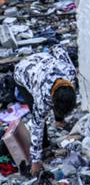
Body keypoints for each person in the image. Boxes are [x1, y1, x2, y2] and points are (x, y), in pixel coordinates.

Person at [13, 45, 76, 176]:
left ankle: (59, 121)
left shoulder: (70, 72)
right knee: (40, 118)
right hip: (23, 71)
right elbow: (37, 126)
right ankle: (45, 146)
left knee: (62, 103)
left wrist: (53, 48)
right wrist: (36, 160)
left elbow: (59, 48)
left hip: (43, 61)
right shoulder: (41, 97)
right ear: (51, 100)